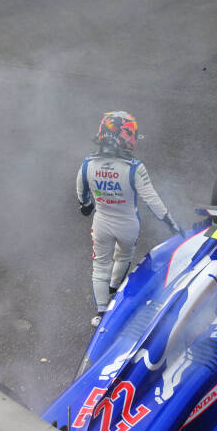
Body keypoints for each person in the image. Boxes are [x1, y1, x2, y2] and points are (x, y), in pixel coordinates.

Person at [77, 111, 183, 327]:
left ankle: (101, 313)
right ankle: (115, 290)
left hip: (102, 222)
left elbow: (81, 192)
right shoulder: (135, 168)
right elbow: (153, 201)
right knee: (123, 258)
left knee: (100, 264)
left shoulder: (88, 163)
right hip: (128, 225)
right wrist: (171, 223)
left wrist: (86, 205)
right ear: (125, 136)